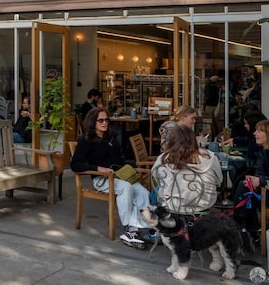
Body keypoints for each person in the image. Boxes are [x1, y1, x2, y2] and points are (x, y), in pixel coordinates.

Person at [70, 107, 153, 249]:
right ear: (92, 122)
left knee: (143, 192)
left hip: (118, 176)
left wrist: (128, 169)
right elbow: (75, 165)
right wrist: (98, 168)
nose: (104, 123)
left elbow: (118, 159)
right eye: (101, 120)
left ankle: (139, 228)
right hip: (102, 179)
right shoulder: (86, 140)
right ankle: (129, 229)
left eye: (106, 120)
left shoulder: (110, 137)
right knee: (125, 188)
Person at [152, 125, 222, 214]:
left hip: (173, 204)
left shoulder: (163, 159)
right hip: (203, 204)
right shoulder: (210, 158)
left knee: (156, 191)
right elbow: (219, 180)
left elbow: (157, 178)